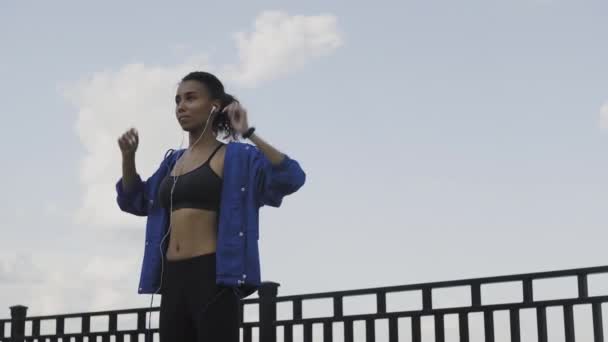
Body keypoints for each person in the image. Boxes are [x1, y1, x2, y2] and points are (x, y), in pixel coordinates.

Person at [115, 71, 306, 342]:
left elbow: (291, 177)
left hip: (213, 276)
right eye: (178, 100)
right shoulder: (172, 163)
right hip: (171, 278)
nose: (181, 106)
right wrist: (128, 158)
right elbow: (133, 200)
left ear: (214, 105)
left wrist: (248, 133)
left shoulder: (236, 156)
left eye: (191, 98)